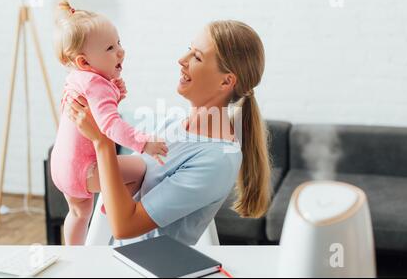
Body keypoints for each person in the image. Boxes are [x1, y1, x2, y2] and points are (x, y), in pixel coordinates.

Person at [65, 20, 272, 246]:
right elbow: (125, 180)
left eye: (197, 57)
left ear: (226, 81)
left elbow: (124, 227)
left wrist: (102, 141)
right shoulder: (172, 124)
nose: (182, 60)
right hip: (120, 260)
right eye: (189, 49)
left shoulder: (218, 160)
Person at [51, 0, 168, 245]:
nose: (120, 51)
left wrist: (114, 91)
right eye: (110, 49)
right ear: (84, 61)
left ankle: (73, 255)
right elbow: (110, 125)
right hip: (85, 169)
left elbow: (96, 113)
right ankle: (114, 208)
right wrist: (144, 143)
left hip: (62, 166)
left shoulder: (77, 77)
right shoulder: (96, 84)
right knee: (140, 168)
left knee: (79, 213)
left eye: (118, 43)